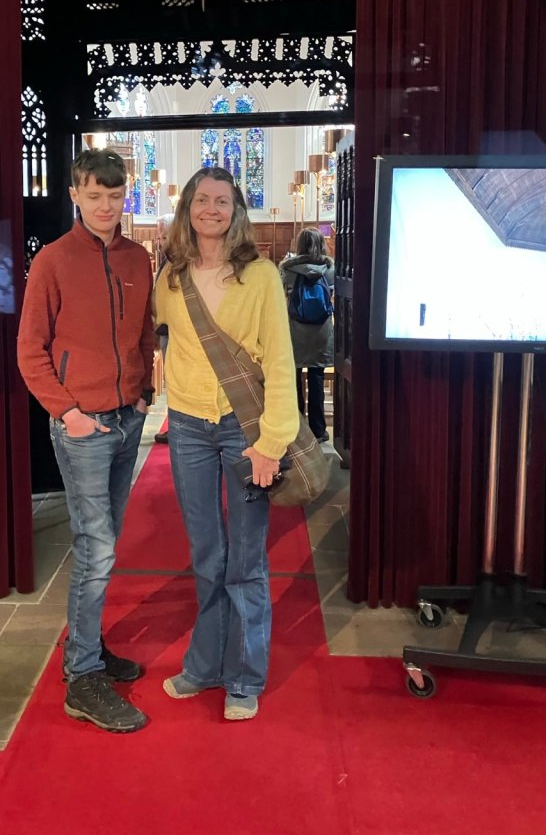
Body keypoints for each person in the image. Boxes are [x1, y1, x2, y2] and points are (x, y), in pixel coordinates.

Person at [17, 149, 155, 734]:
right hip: (82, 427)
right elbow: (30, 350)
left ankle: (89, 646)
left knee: (105, 542)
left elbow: (146, 329)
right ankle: (81, 676)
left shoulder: (138, 257)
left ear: (127, 195)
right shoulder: (52, 261)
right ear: (74, 193)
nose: (105, 205)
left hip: (127, 419)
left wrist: (145, 390)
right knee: (96, 547)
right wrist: (68, 412)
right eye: (94, 195)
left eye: (115, 195)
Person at [154, 166, 299, 721]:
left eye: (222, 201)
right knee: (206, 555)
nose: (210, 209)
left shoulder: (260, 275)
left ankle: (244, 676)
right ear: (187, 208)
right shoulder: (170, 277)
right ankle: (205, 664)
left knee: (246, 559)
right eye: (201, 200)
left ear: (236, 210)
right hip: (189, 427)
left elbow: (281, 362)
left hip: (245, 431)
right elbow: (153, 333)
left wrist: (272, 441)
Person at [280, 227, 335, 443]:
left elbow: (278, 294)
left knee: (293, 380)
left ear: (299, 245)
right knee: (316, 379)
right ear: (321, 243)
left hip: (294, 330)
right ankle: (318, 431)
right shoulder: (330, 267)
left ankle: (297, 430)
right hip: (320, 333)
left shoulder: (287, 268)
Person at [153, 212, 175, 445]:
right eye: (158, 238)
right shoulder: (167, 260)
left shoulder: (177, 261)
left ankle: (176, 428)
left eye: (164, 238)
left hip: (173, 332)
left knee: (175, 382)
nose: (159, 243)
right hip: (164, 331)